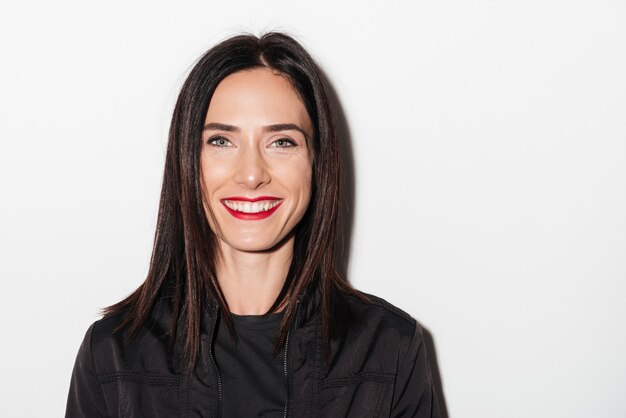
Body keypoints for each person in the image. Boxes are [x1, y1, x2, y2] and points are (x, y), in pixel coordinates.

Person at [65, 32, 441, 418]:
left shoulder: (389, 350)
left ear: (317, 163)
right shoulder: (112, 355)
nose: (251, 175)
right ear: (187, 163)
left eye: (281, 142)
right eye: (221, 142)